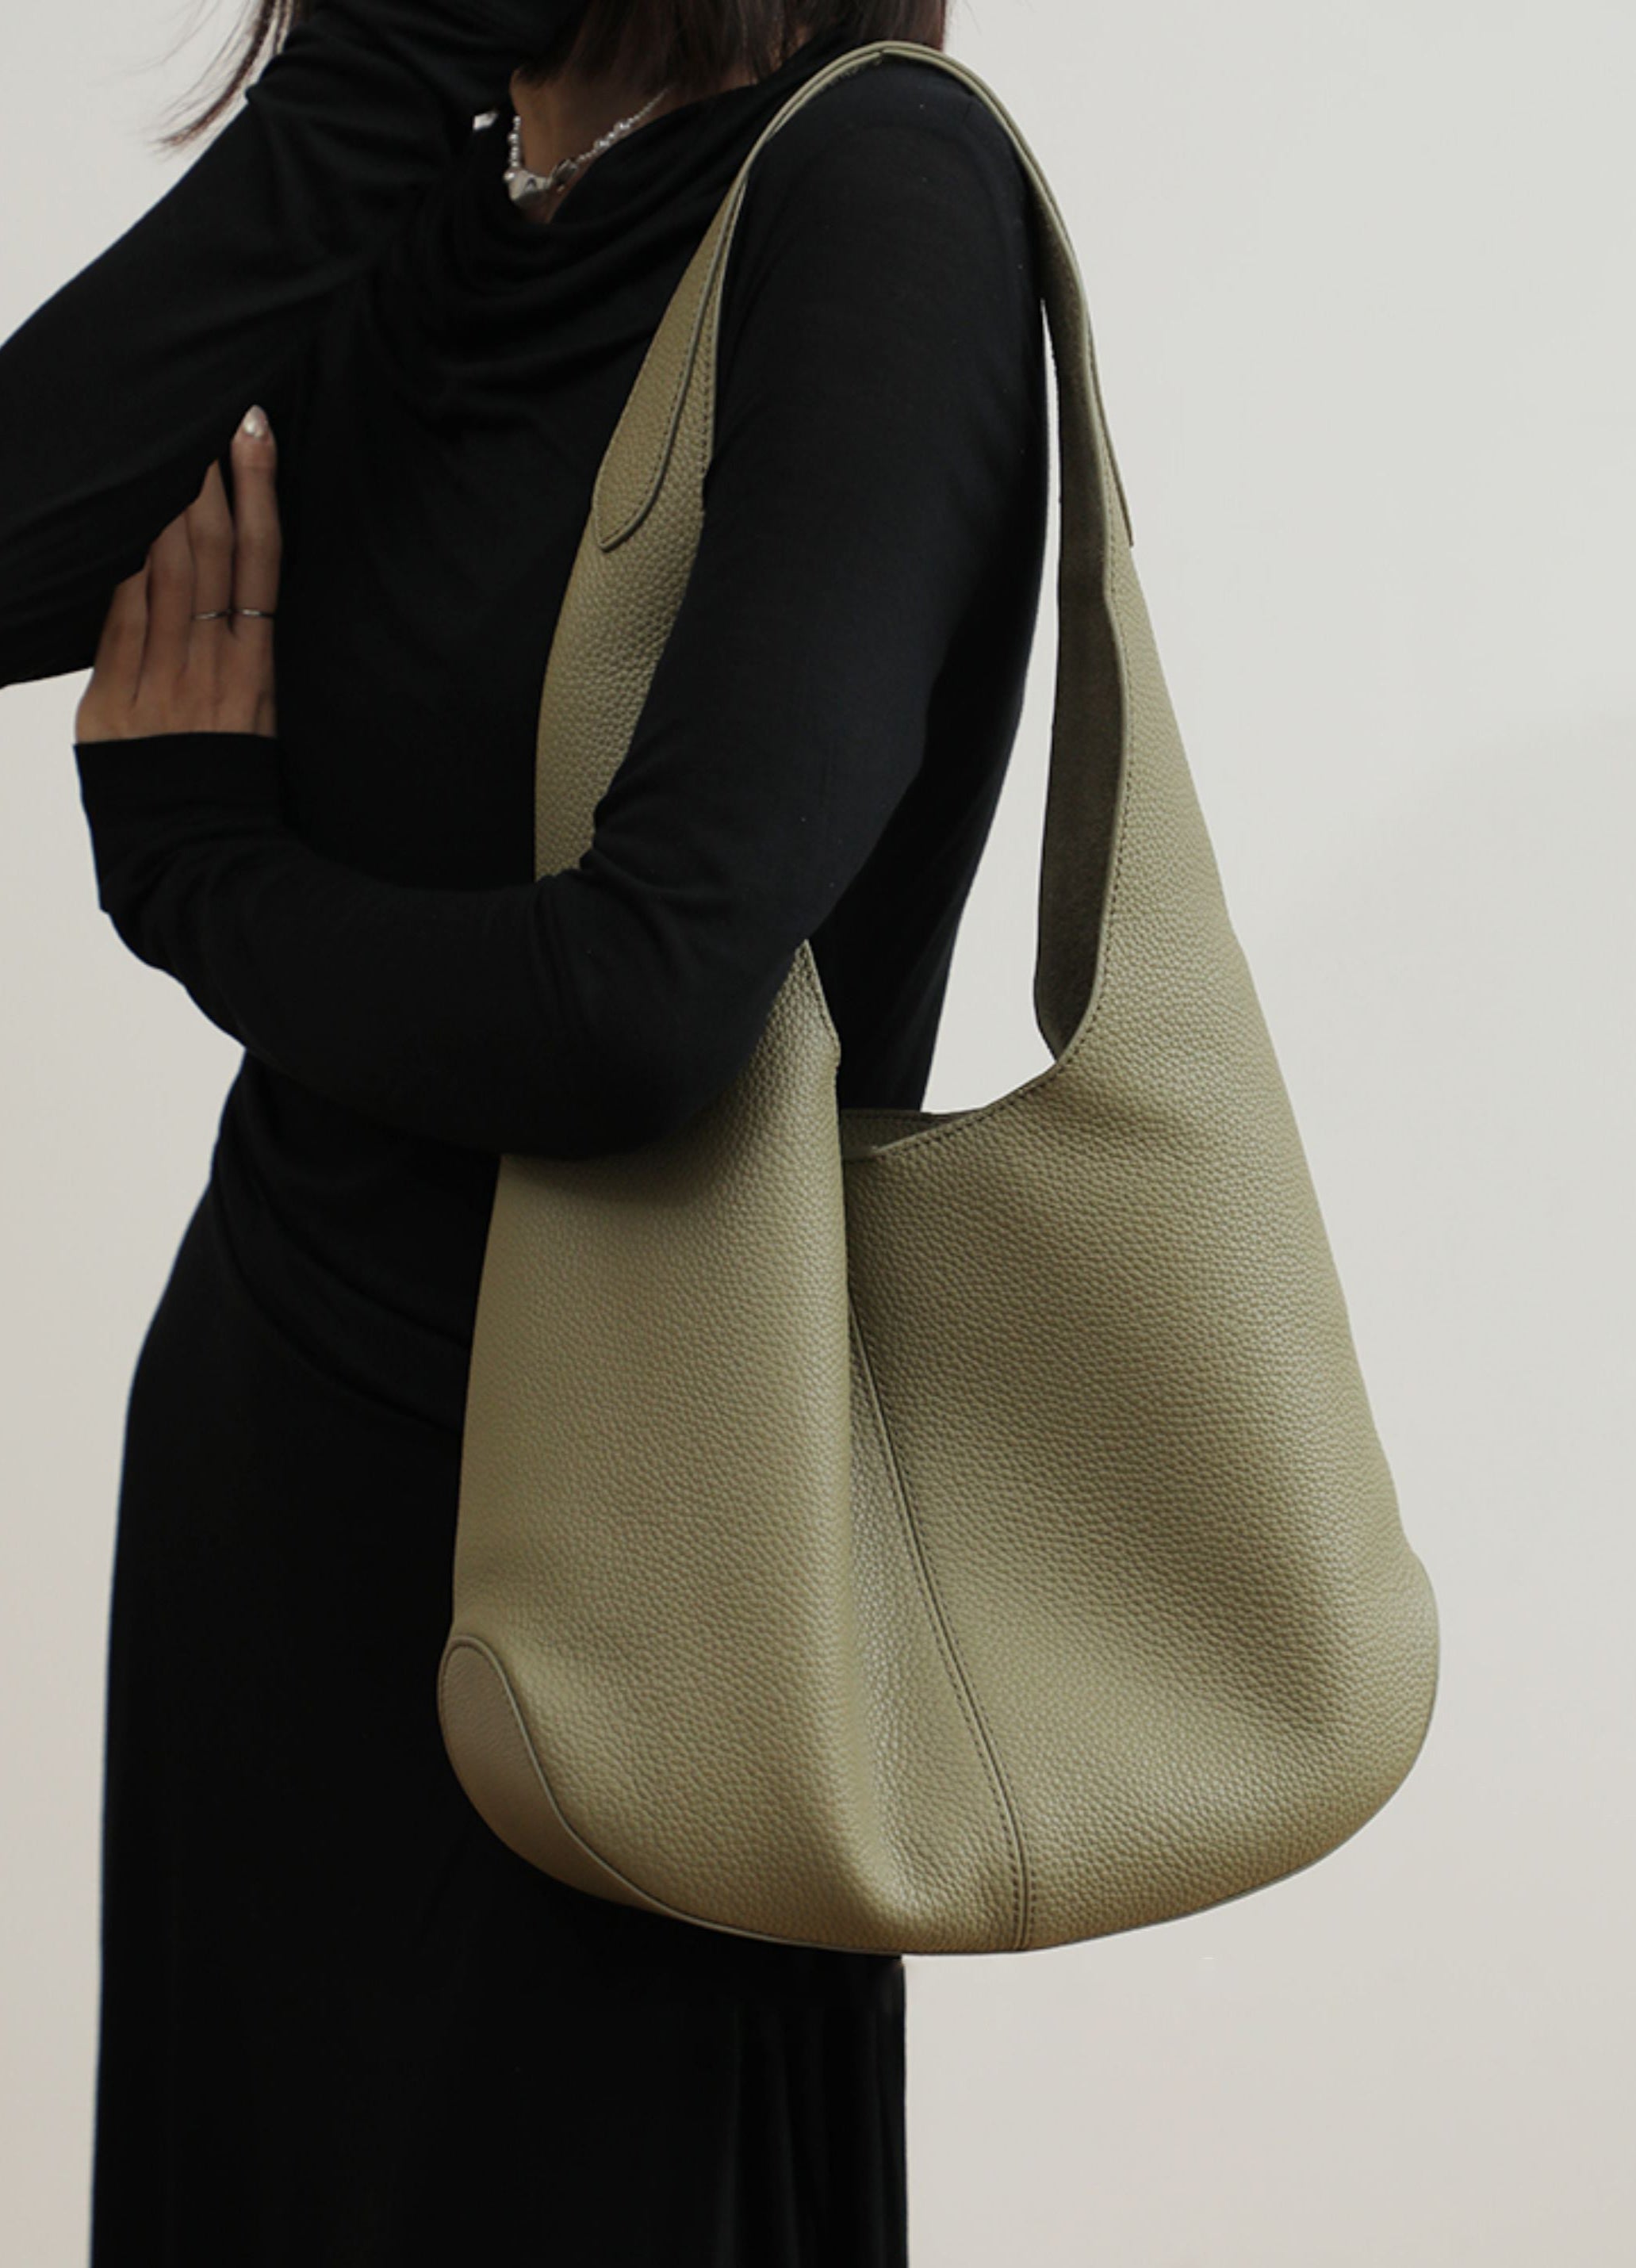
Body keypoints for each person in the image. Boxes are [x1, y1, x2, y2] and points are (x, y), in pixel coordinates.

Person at [0, 0, 1048, 2255]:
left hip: (639, 1583)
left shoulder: (874, 194)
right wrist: (382, 68)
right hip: (274, 1510)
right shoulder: (426, 193)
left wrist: (203, 876)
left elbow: (642, 1009)